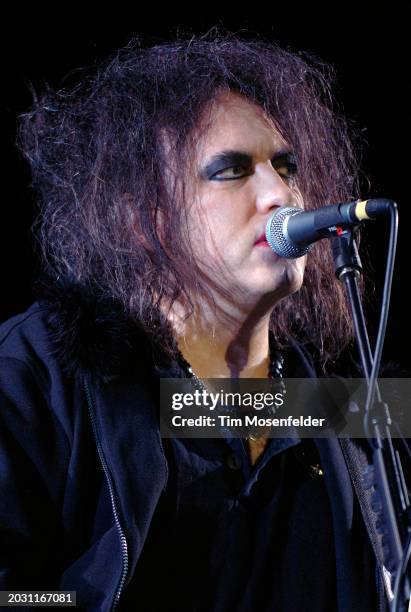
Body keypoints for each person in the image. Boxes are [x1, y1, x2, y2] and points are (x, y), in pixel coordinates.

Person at [0, 31, 395, 611]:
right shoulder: (37, 374)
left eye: (284, 166)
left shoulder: (347, 399)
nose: (280, 194)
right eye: (232, 171)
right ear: (143, 219)